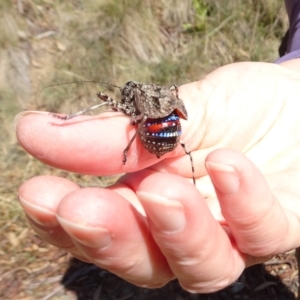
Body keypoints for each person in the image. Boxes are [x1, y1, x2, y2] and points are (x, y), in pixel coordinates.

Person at [15, 0, 300, 294]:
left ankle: (76, 121)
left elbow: (133, 116)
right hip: (169, 130)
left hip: (157, 130)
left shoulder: (138, 106)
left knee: (112, 109)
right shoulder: (158, 96)